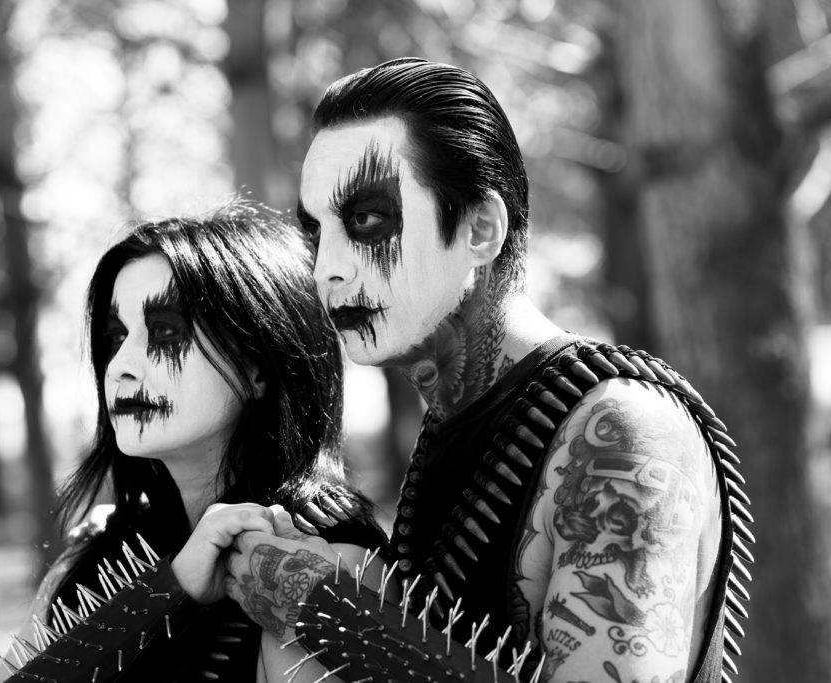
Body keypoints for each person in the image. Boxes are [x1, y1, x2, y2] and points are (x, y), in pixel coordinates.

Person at [223, 58, 751, 682]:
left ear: (480, 229)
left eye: (365, 220)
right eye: (317, 231)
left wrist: (324, 612)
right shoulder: (457, 422)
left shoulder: (622, 433)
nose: (326, 268)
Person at [0, 199, 387, 683]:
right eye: (115, 337)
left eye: (164, 332)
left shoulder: (319, 558)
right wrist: (169, 588)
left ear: (258, 366)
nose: (120, 366)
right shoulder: (95, 549)